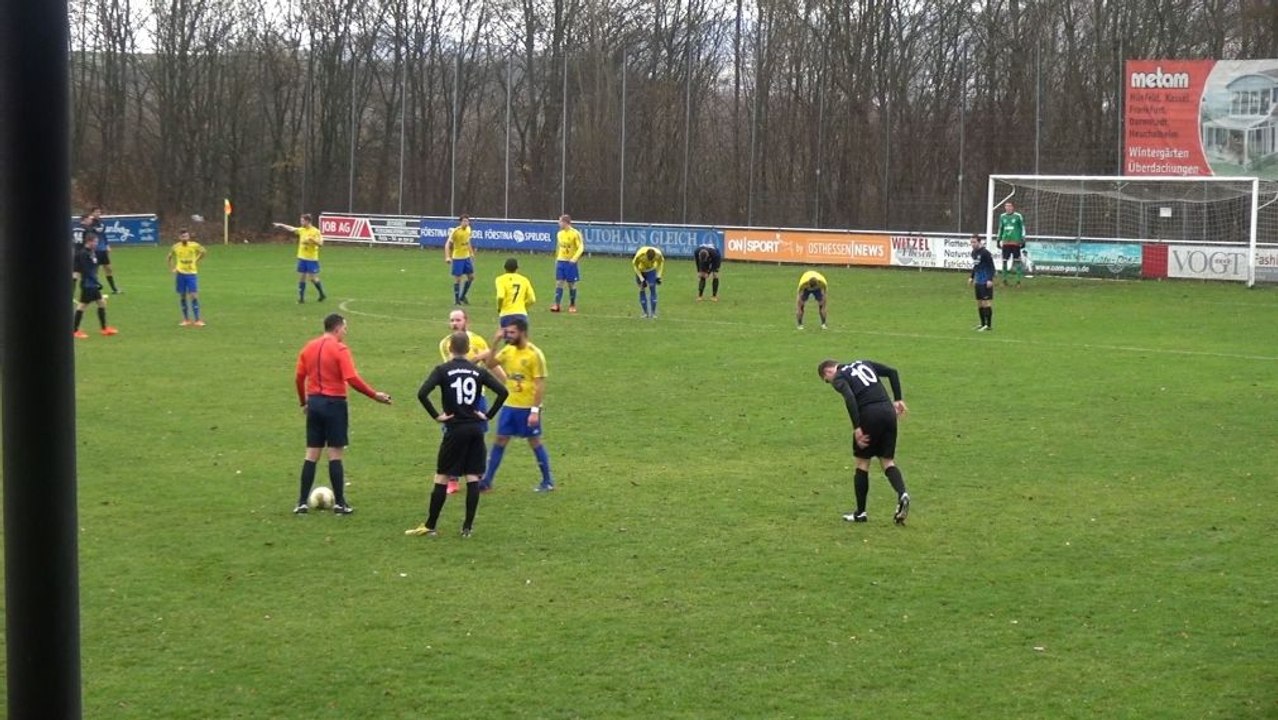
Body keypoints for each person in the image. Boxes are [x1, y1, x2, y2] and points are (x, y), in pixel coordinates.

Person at [406, 331, 510, 538]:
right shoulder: (477, 371)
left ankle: (430, 525)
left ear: (450, 348)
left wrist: (437, 416)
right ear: (468, 349)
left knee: (442, 475)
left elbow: (422, 393)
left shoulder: (442, 370)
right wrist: (488, 415)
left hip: (455, 429)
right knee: (472, 476)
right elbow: (503, 392)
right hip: (475, 429)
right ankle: (467, 528)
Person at [293, 313, 392, 515]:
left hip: (315, 403)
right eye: (345, 328)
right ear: (337, 328)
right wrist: (374, 395)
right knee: (335, 454)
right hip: (335, 404)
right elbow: (351, 378)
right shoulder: (340, 349)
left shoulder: (309, 347)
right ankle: (340, 503)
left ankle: (302, 503)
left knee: (312, 453)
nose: (346, 332)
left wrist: (304, 402)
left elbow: (299, 377)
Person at [818, 359, 911, 525]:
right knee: (887, 461)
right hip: (888, 412)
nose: (830, 383)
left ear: (828, 372)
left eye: (827, 381)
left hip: (869, 415)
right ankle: (902, 493)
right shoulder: (864, 363)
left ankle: (860, 513)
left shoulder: (839, 377)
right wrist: (898, 399)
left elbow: (850, 398)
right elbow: (892, 372)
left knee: (862, 463)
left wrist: (857, 427)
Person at [481, 317, 554, 492]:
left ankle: (547, 481)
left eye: (512, 332)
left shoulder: (534, 354)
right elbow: (490, 364)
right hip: (509, 406)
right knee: (500, 439)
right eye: (506, 332)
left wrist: (535, 411)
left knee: (534, 441)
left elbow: (539, 385)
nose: (508, 336)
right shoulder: (508, 350)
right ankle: (487, 481)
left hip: (527, 408)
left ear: (523, 332)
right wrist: (495, 342)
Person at [438, 309, 494, 494]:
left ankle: (478, 476)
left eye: (458, 320)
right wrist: (477, 357)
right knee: (451, 438)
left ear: (466, 321)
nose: (454, 323)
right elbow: (456, 367)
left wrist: (505, 380)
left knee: (478, 437)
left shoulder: (478, 341)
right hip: (454, 399)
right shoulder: (445, 344)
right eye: (452, 320)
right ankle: (453, 479)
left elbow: (489, 365)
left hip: (477, 398)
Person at [72, 234, 119, 338]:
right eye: (95, 242)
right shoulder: (84, 253)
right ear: (89, 241)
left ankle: (104, 328)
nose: (96, 244)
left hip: (92, 283)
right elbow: (85, 269)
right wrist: (96, 281)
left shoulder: (91, 252)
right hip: (88, 284)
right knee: (82, 306)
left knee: (101, 303)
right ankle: (74, 331)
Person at [274, 213, 327, 303]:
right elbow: (292, 228)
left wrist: (313, 241)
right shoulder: (302, 230)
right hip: (302, 258)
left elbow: (321, 243)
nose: (301, 222)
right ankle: (301, 298)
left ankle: (322, 294)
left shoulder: (315, 231)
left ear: (308, 221)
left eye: (302, 221)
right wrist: (281, 225)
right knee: (302, 277)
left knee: (312, 278)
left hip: (311, 259)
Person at [167, 228, 207, 327]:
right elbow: (169, 257)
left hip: (191, 274)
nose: (184, 238)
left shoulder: (194, 245)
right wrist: (172, 268)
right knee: (182, 296)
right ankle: (186, 320)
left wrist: (196, 260)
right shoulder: (175, 247)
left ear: (189, 237)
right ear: (179, 237)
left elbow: (203, 252)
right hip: (180, 274)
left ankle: (197, 320)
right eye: (182, 236)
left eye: (186, 236)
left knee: (193, 295)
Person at [83, 206, 123, 294]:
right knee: (94, 269)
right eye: (96, 212)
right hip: (94, 250)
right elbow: (87, 235)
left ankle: (114, 289)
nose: (98, 213)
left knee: (108, 269)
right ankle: (93, 287)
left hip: (103, 249)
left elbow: (103, 234)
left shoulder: (101, 222)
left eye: (99, 212)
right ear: (92, 213)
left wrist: (107, 245)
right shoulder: (90, 223)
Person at [550, 214, 584, 313]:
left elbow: (581, 247)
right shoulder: (559, 234)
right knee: (559, 283)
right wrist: (557, 258)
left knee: (571, 284)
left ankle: (572, 305)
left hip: (570, 262)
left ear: (565, 222)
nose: (559, 223)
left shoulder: (575, 233)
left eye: (560, 221)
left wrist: (574, 258)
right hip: (561, 261)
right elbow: (559, 247)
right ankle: (557, 304)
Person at [444, 214, 476, 305]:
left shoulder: (469, 229)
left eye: (467, 221)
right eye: (464, 221)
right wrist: (447, 257)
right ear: (460, 222)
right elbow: (447, 245)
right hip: (458, 258)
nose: (466, 223)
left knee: (471, 277)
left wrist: (471, 252)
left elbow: (468, 241)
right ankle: (457, 299)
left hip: (466, 258)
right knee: (458, 279)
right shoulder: (456, 231)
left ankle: (462, 296)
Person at [495, 257, 536, 328]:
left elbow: (500, 296)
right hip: (521, 315)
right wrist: (523, 306)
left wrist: (499, 307)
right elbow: (532, 299)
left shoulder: (500, 279)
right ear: (517, 269)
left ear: (505, 268)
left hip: (506, 315)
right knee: (521, 335)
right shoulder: (524, 280)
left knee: (508, 335)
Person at [996, 201, 1027, 286]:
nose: (1008, 208)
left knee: (1017, 261)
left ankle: (1018, 281)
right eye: (1006, 206)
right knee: (1004, 261)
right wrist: (998, 239)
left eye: (1009, 206)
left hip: (1015, 242)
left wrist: (1023, 239)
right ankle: (1004, 280)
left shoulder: (1018, 216)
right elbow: (1000, 228)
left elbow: (1022, 227)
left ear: (1013, 207)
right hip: (1006, 242)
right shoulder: (1002, 216)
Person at [969, 234, 995, 331]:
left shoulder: (985, 253)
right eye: (971, 242)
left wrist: (990, 279)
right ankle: (982, 324)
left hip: (985, 281)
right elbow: (976, 266)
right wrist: (972, 277)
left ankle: (988, 325)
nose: (972, 244)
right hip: (978, 281)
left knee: (986, 303)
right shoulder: (973, 253)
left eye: (974, 242)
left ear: (979, 242)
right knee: (979, 303)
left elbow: (992, 267)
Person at [632, 246, 665, 318]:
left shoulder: (658, 254)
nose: (650, 261)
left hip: (651, 270)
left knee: (652, 288)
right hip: (640, 271)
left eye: (652, 260)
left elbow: (661, 262)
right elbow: (635, 265)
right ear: (646, 255)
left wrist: (659, 276)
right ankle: (645, 313)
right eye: (648, 259)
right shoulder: (639, 255)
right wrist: (641, 279)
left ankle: (653, 313)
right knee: (642, 289)